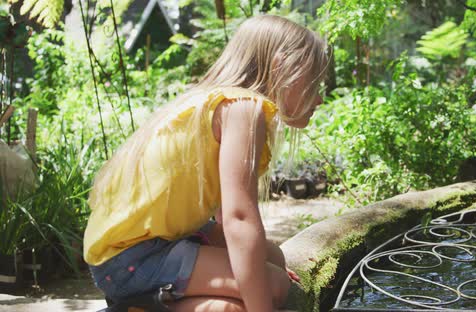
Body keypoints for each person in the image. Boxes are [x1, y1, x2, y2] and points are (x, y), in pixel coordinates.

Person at [83, 14, 329, 312]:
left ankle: (151, 302)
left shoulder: (219, 103)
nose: (319, 99)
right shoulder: (243, 109)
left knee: (273, 258)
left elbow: (225, 217)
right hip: (132, 258)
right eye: (314, 82)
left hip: (137, 249)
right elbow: (239, 219)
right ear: (280, 65)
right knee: (272, 288)